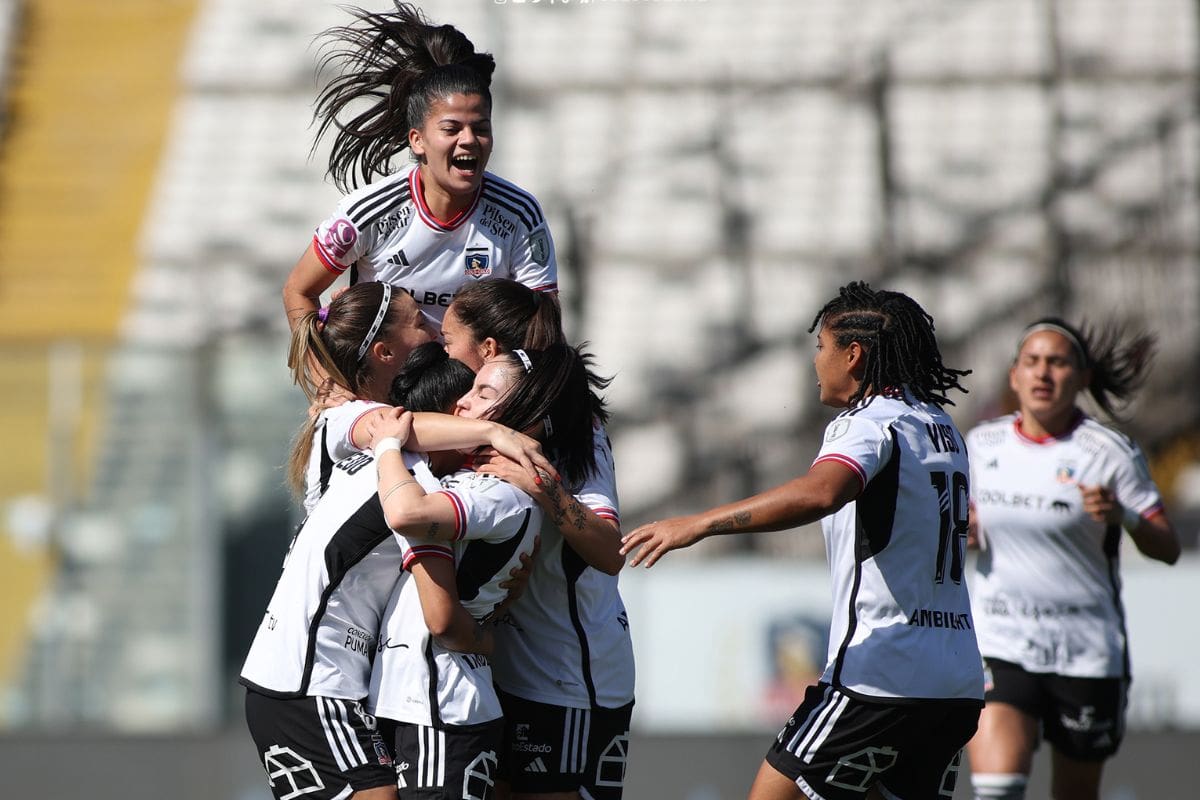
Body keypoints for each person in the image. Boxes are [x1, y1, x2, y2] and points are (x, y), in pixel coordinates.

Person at [620, 281, 984, 800]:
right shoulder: (940, 425)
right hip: (955, 680)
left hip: (878, 676)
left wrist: (699, 523)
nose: (815, 362)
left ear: (853, 355)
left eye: (821, 348)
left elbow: (821, 493)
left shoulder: (865, 423)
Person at [366, 344, 603, 800]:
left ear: (525, 412)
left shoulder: (498, 493)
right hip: (422, 694)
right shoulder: (484, 482)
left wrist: (388, 446)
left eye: (482, 392)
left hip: (440, 701)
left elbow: (406, 513)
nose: (463, 405)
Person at [964, 318, 1181, 800]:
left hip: (1084, 652)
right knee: (995, 790)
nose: (1044, 374)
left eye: (1058, 362)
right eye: (1032, 362)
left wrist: (1124, 516)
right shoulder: (981, 446)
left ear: (1081, 378)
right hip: (1002, 642)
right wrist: (964, 530)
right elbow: (957, 523)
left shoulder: (1109, 453)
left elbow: (1167, 548)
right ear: (1015, 375)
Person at [240, 389, 493, 800]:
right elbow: (441, 615)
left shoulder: (349, 451)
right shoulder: (412, 485)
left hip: (295, 676)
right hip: (312, 682)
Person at [438, 279, 634, 800]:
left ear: (489, 351)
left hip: (567, 674)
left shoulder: (576, 434)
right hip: (508, 666)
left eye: (449, 338)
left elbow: (609, 551)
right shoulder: (477, 425)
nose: (442, 347)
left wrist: (543, 487)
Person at [282, 1, 557, 333]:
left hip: (477, 381)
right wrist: (328, 381)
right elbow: (298, 291)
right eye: (451, 129)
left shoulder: (519, 215)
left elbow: (545, 326)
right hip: (385, 379)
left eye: (481, 128)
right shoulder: (369, 212)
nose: (469, 140)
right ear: (417, 140)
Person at [284, 280, 551, 513]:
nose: (435, 335)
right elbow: (400, 425)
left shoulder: (386, 403)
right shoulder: (345, 413)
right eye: (420, 323)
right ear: (385, 352)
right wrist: (496, 432)